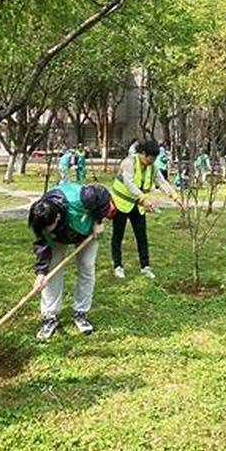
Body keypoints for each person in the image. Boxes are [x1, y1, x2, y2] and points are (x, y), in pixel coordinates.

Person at [29, 181, 113, 340]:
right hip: (58, 237)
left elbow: (102, 194)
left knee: (86, 267)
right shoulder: (40, 218)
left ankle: (81, 313)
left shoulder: (81, 198)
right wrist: (41, 273)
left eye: (49, 227)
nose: (45, 230)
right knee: (51, 272)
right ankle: (50, 316)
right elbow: (41, 245)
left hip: (85, 230)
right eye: (43, 228)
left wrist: (98, 222)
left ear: (58, 216)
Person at [110, 139, 174, 280]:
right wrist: (143, 199)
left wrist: (173, 195)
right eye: (152, 158)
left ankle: (145, 266)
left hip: (137, 206)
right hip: (121, 203)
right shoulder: (129, 163)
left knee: (141, 236)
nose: (153, 161)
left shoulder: (153, 167)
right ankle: (118, 266)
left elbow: (161, 181)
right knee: (118, 235)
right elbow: (129, 183)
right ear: (144, 154)